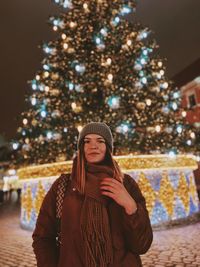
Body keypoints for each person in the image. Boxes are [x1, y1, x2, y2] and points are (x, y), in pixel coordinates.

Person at [32, 122, 153, 267]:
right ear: (81, 148)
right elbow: (43, 237)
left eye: (100, 141)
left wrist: (131, 206)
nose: (93, 146)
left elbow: (142, 245)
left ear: (108, 147)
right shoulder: (63, 185)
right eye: (87, 141)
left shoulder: (126, 184)